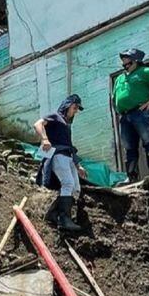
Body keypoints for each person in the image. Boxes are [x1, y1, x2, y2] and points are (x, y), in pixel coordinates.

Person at [113, 48, 149, 182]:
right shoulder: (120, 78)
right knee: (129, 147)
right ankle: (131, 177)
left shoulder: (144, 72)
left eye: (128, 64)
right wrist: (118, 107)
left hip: (140, 112)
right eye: (124, 65)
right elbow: (115, 96)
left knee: (148, 141)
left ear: (136, 62)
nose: (126, 67)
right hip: (124, 116)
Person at [34, 95, 88, 232]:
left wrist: (78, 166)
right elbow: (38, 124)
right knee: (68, 183)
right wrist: (45, 139)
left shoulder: (66, 126)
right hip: (58, 155)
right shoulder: (55, 116)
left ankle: (53, 213)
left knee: (76, 188)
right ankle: (65, 219)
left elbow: (70, 147)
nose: (75, 111)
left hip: (68, 157)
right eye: (74, 108)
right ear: (67, 105)